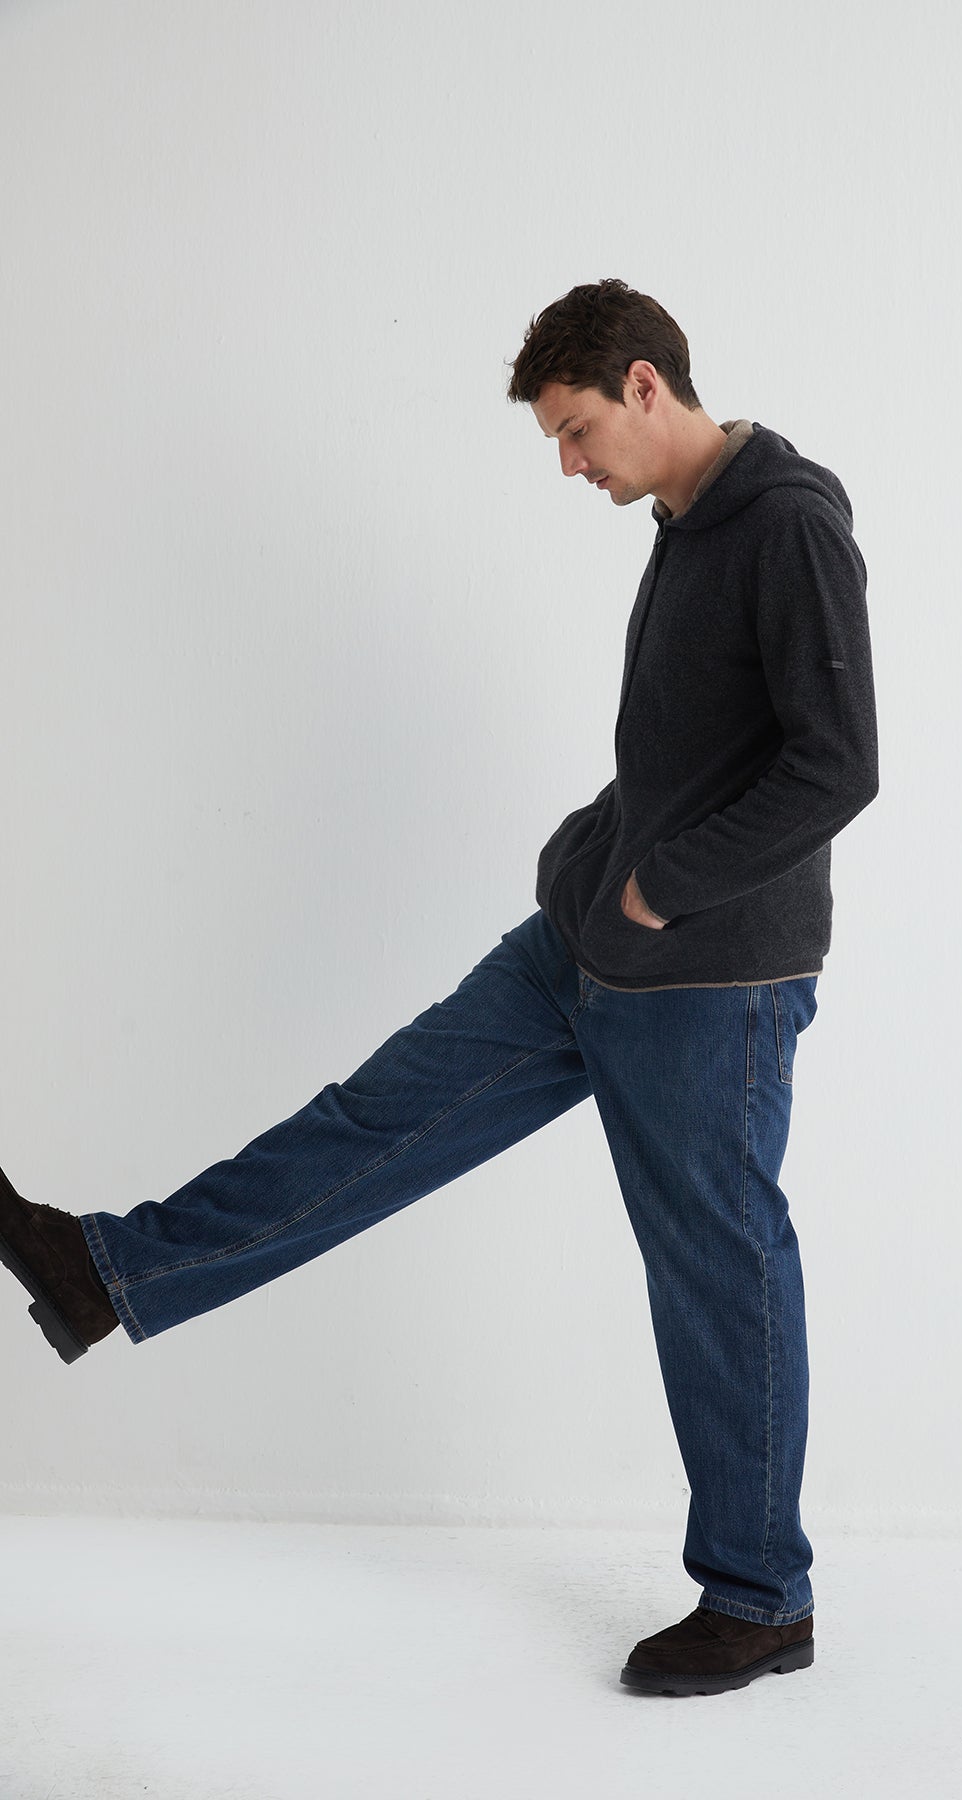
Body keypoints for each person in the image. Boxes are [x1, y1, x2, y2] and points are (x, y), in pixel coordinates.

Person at [0, 277, 879, 1696]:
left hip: (708, 983)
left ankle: (761, 1597)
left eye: (577, 429)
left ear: (646, 384)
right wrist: (597, 855)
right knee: (372, 1122)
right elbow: (696, 751)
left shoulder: (786, 520)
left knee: (714, 1273)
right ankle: (105, 1274)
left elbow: (837, 764)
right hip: (587, 949)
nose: (568, 464)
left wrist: (661, 886)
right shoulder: (687, 522)